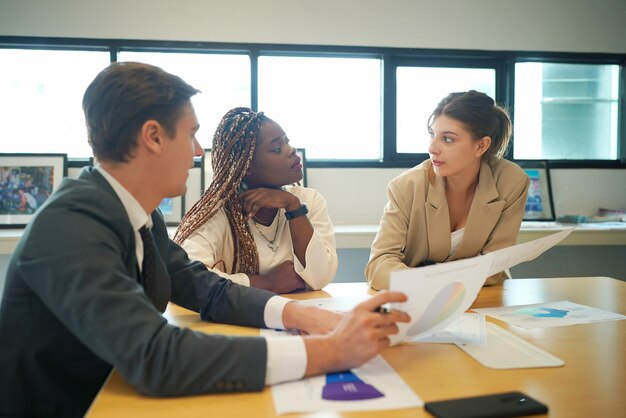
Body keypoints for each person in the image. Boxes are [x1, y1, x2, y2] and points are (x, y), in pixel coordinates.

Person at [0, 62, 409, 418]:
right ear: (154, 136)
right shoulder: (71, 224)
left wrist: (303, 316)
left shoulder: (140, 216)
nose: (199, 151)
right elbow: (157, 357)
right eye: (192, 134)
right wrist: (331, 351)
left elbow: (204, 288)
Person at [365, 90, 529, 290]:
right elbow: (378, 266)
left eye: (448, 139)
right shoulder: (407, 186)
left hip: (482, 298)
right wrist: (433, 283)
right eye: (432, 135)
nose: (432, 148)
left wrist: (434, 278)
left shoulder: (511, 181)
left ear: (481, 146)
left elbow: (494, 267)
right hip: (419, 300)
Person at [174, 108, 337, 293]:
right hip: (235, 320)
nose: (291, 150)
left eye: (287, 142)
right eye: (277, 149)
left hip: (299, 315)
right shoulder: (218, 213)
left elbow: (320, 277)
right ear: (246, 167)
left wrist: (293, 207)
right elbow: (189, 279)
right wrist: (268, 283)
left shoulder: (307, 200)